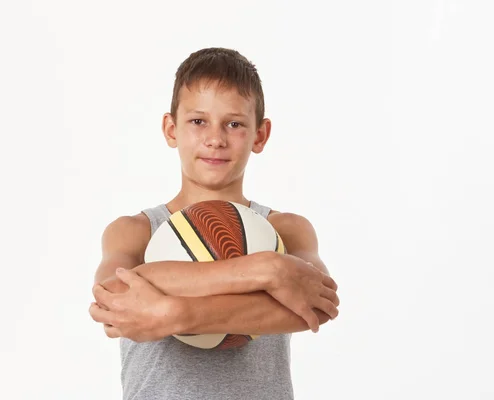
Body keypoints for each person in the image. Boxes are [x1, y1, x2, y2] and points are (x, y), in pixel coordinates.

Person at [89, 47, 340, 400]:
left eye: (234, 124)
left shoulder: (286, 229)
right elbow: (112, 301)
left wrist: (176, 312)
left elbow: (316, 306)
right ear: (171, 128)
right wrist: (265, 271)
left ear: (260, 135)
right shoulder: (136, 231)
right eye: (198, 121)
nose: (215, 138)